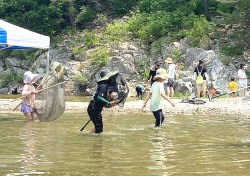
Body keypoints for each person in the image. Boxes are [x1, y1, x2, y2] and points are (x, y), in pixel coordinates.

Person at [87, 69, 118, 133]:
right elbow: (99, 97)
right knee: (99, 129)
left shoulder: (103, 85)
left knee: (98, 127)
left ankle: (91, 137)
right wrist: (108, 103)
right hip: (94, 109)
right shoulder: (103, 86)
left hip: (94, 109)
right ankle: (94, 141)